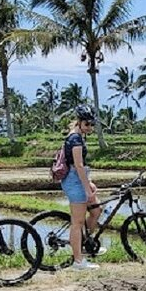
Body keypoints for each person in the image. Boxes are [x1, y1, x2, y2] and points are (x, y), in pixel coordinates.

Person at [60, 105, 102, 270]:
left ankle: (84, 244)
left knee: (96, 210)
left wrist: (89, 182)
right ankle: (78, 262)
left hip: (79, 178)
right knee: (77, 222)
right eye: (87, 124)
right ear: (79, 122)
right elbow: (78, 165)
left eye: (92, 124)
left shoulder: (79, 137)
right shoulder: (75, 139)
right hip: (74, 181)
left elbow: (81, 167)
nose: (90, 128)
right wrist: (86, 188)